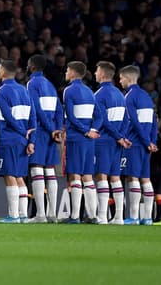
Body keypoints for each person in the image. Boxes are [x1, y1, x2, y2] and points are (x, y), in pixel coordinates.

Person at [0, 59, 35, 223]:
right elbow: (34, 118)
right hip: (23, 140)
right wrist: (31, 140)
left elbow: (7, 116)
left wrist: (22, 132)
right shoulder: (25, 91)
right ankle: (23, 215)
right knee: (19, 176)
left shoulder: (2, 91)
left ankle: (13, 215)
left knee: (9, 175)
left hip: (9, 138)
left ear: (3, 71)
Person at [62, 61, 101, 224]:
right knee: (88, 176)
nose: (65, 73)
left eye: (66, 70)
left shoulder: (69, 90)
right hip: (89, 141)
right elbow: (100, 116)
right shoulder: (90, 91)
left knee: (75, 176)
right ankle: (92, 216)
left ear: (72, 73)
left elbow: (71, 116)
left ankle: (75, 216)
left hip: (76, 138)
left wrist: (85, 130)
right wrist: (93, 130)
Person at [119, 65, 158, 225]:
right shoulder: (146, 96)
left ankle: (133, 217)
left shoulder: (129, 97)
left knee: (132, 178)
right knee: (145, 179)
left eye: (121, 78)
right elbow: (155, 120)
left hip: (135, 143)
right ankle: (147, 217)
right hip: (146, 144)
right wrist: (152, 141)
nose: (120, 81)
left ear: (128, 79)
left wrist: (145, 141)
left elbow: (134, 122)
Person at [92, 61, 130, 225]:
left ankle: (102, 216)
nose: (95, 74)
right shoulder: (120, 95)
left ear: (102, 73)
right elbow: (126, 119)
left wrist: (117, 136)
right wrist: (120, 136)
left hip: (105, 140)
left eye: (96, 71)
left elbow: (103, 121)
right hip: (116, 142)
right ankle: (119, 217)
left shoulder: (99, 95)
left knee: (101, 176)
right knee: (115, 177)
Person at [26, 54, 62, 223]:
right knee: (50, 171)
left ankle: (40, 214)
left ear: (32, 66)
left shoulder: (32, 83)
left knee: (36, 169)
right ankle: (52, 214)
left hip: (40, 131)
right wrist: (57, 129)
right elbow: (59, 110)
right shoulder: (50, 85)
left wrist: (50, 129)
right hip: (52, 132)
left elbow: (36, 110)